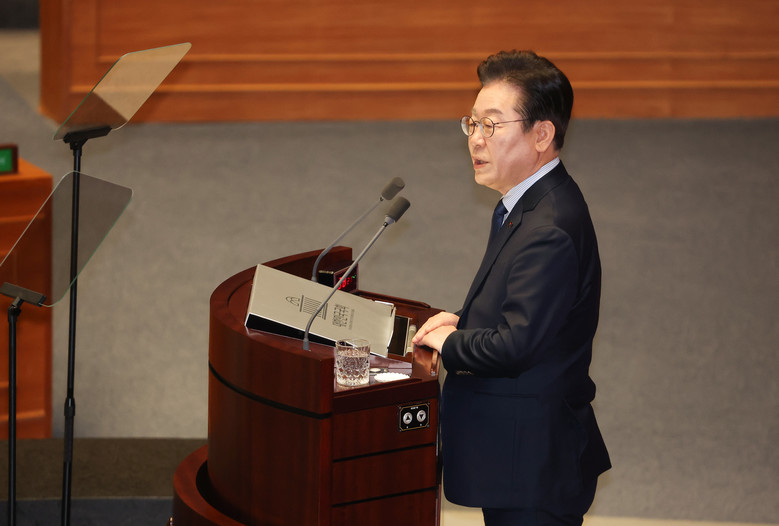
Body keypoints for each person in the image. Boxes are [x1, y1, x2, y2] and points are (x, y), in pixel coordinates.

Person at [412, 50, 611, 526]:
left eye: (491, 125)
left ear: (541, 134)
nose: (475, 139)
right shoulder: (526, 203)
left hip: (532, 465)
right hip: (519, 455)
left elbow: (515, 345)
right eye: (472, 123)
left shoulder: (549, 228)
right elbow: (529, 307)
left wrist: (450, 342)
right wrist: (463, 321)